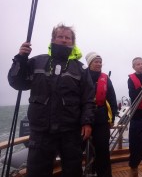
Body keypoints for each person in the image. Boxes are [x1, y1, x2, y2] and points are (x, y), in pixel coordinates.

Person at [8, 24, 95, 177]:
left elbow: (88, 98)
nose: (64, 40)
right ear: (53, 39)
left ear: (72, 42)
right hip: (41, 131)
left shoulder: (81, 69)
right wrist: (20, 58)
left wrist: (87, 122)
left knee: (73, 171)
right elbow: (18, 82)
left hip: (70, 131)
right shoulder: (36, 61)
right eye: (60, 37)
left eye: (67, 38)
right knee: (37, 172)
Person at [85, 52, 118, 177]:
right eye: (96, 62)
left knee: (103, 151)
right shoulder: (82, 76)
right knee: (77, 150)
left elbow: (112, 98)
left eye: (100, 62)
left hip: (101, 120)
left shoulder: (105, 78)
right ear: (89, 63)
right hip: (84, 119)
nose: (99, 64)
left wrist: (112, 117)